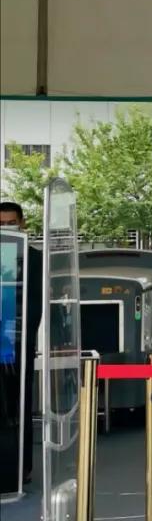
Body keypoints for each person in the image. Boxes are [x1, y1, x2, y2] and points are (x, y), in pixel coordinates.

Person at [0, 202, 42, 486]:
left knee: (20, 404)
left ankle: (20, 467)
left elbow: (35, 304)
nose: (6, 228)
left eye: (11, 222)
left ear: (22, 223)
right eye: (1, 224)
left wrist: (20, 337)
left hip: (18, 344)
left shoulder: (32, 258)